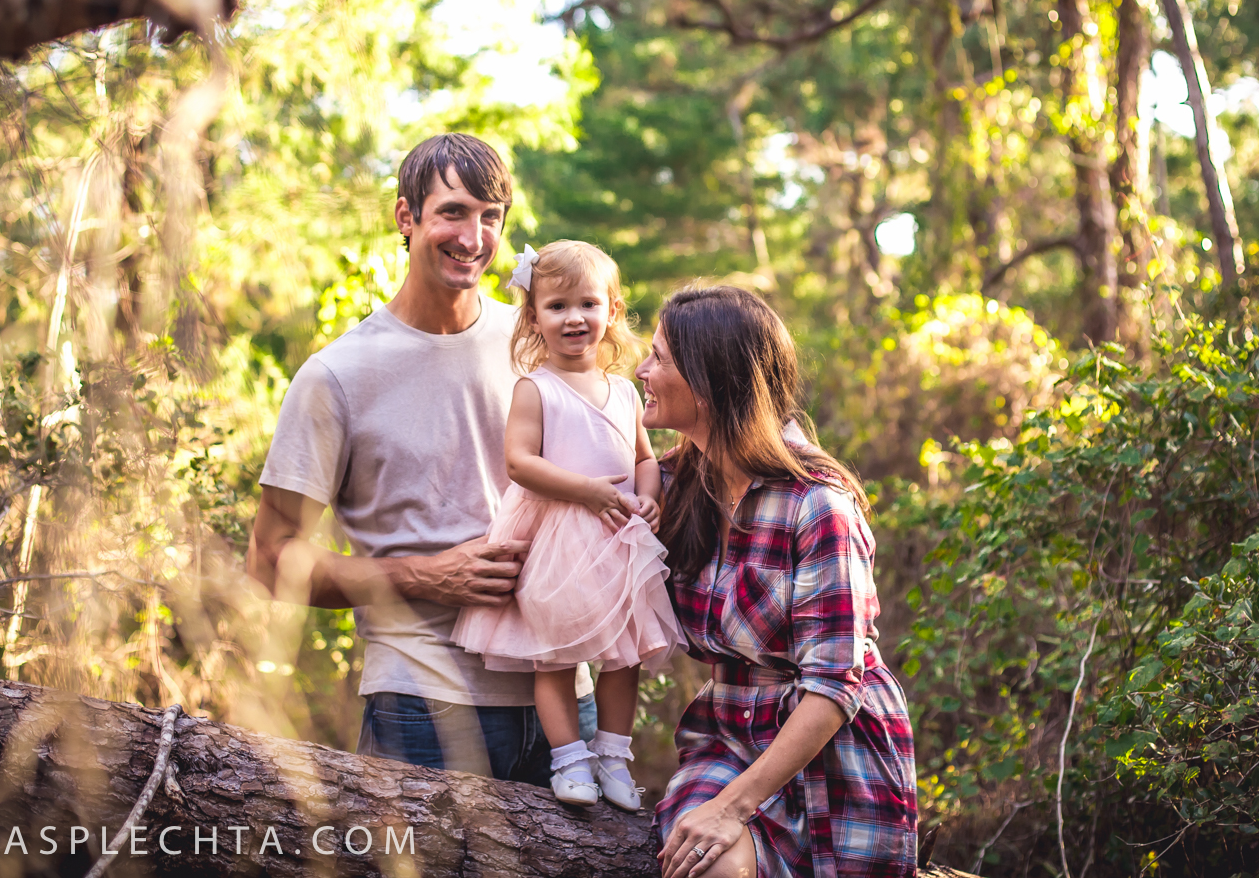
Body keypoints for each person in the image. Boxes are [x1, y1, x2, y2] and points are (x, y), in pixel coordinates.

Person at [246, 132, 590, 788]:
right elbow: (269, 560)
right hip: (421, 705)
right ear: (406, 217)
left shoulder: (538, 342)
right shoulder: (337, 377)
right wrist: (427, 574)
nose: (474, 236)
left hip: (565, 698)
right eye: (454, 212)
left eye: (492, 216)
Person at [636, 286, 918, 878]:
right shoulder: (671, 485)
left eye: (659, 358)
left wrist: (732, 807)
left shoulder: (817, 506)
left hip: (835, 755)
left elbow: (836, 685)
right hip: (727, 737)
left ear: (710, 382)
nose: (642, 369)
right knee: (704, 865)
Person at [452, 240, 685, 810]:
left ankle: (611, 753)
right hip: (559, 534)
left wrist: (649, 497)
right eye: (556, 306)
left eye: (587, 303)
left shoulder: (625, 391)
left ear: (611, 311)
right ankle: (570, 759)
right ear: (533, 317)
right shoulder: (536, 388)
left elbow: (644, 459)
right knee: (554, 656)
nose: (574, 317)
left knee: (623, 654)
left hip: (616, 539)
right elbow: (519, 462)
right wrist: (583, 489)